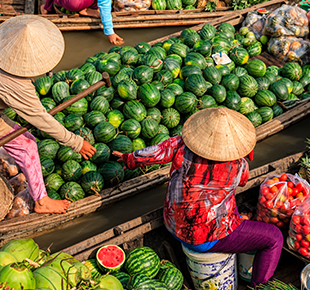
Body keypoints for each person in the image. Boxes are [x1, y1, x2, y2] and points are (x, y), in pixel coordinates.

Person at [112, 108, 283, 287]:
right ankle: (260, 286)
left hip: (173, 224)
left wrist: (128, 159)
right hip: (205, 239)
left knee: (229, 205)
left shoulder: (180, 144)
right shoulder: (238, 165)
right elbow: (242, 182)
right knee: (274, 238)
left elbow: (153, 153)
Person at [0, 15, 96, 214]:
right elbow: (40, 118)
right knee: (27, 145)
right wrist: (75, 142)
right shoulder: (16, 85)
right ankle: (41, 201)